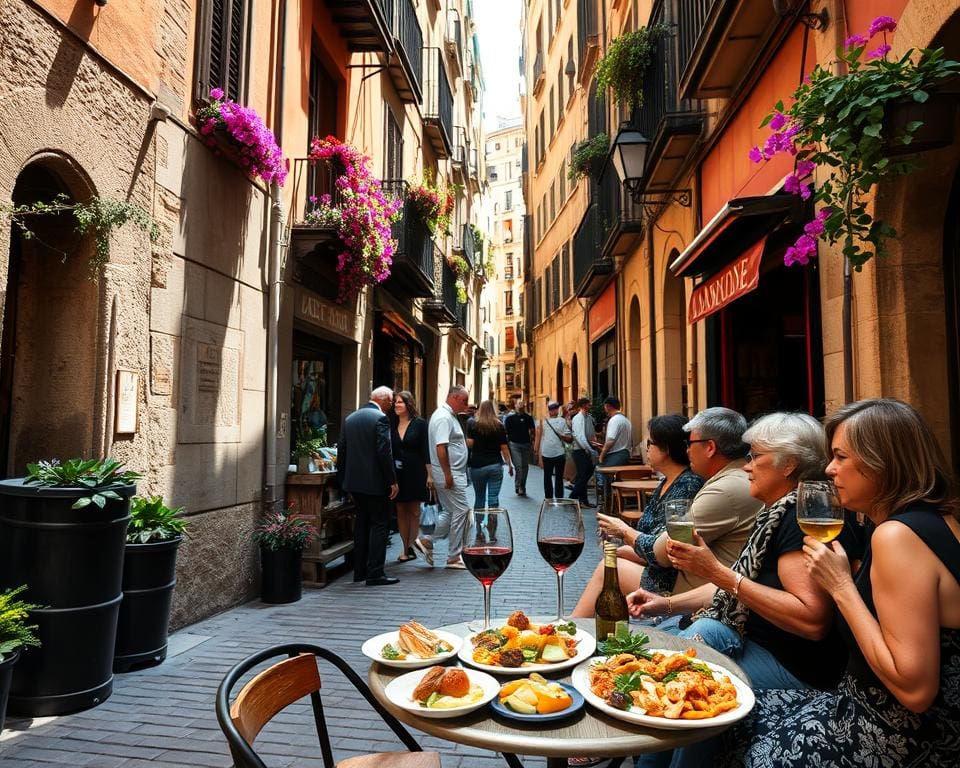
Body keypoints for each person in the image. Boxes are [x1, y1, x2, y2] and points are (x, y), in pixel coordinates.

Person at [716, 399, 960, 767]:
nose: (829, 470)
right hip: (867, 705)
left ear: (882, 461)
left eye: (841, 457)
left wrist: (841, 587)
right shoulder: (934, 518)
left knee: (746, 741)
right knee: (731, 715)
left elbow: (915, 691)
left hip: (902, 732)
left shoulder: (898, 536)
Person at [630, 412, 866, 768]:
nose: (746, 466)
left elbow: (811, 620)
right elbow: (739, 589)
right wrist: (664, 604)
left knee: (695, 684)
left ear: (788, 465)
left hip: (797, 665)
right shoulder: (778, 512)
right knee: (674, 663)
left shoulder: (803, 519)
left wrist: (716, 572)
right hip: (753, 640)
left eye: (755, 456)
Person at [571, 414, 704, 617]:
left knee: (607, 569)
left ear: (666, 449)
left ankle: (575, 625)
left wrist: (622, 540)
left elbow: (665, 552)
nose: (646, 448)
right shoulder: (666, 483)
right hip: (657, 568)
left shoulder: (687, 485)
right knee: (610, 563)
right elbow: (646, 537)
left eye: (650, 443)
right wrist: (617, 541)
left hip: (669, 580)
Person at [337, 386, 399, 586]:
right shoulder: (380, 419)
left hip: (355, 484)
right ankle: (375, 573)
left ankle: (360, 571)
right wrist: (392, 480)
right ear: (383, 400)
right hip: (375, 484)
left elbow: (342, 451)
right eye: (390, 401)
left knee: (361, 526)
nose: (391, 405)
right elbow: (384, 452)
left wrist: (343, 483)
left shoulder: (350, 418)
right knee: (380, 525)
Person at [416, 385, 472, 570]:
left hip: (453, 472)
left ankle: (427, 541)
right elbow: (441, 448)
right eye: (464, 400)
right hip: (450, 473)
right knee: (462, 511)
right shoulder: (443, 417)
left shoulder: (448, 416)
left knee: (449, 511)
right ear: (454, 397)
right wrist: (448, 474)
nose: (466, 404)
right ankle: (454, 557)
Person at [389, 390, 432, 563]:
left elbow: (426, 450)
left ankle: (411, 547)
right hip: (396, 472)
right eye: (395, 402)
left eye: (400, 402)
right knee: (400, 509)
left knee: (414, 510)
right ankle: (405, 547)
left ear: (409, 404)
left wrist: (430, 475)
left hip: (416, 471)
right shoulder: (390, 423)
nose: (396, 405)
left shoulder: (420, 424)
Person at [467, 400, 514, 543]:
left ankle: (479, 530)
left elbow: (469, 444)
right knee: (493, 500)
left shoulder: (472, 423)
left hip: (477, 466)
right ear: (493, 409)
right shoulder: (498, 425)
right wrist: (510, 464)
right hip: (494, 466)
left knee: (479, 498)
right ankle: (492, 533)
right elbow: (504, 448)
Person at [593, 396, 633, 497]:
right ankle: (611, 502)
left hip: (617, 454)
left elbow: (610, 440)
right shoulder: (625, 420)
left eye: (605, 406)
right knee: (610, 478)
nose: (604, 408)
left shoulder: (614, 420)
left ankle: (605, 502)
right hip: (624, 453)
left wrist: (601, 456)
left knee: (601, 472)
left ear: (608, 406)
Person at [535, 400, 571, 499]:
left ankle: (549, 498)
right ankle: (559, 497)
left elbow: (540, 437)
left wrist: (538, 452)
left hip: (547, 453)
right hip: (558, 453)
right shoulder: (563, 421)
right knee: (558, 477)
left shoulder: (543, 421)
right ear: (555, 409)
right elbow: (568, 436)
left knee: (547, 476)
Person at [568, 397, 598, 507]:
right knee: (584, 476)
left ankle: (582, 500)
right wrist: (588, 449)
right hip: (580, 450)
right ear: (583, 406)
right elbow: (579, 436)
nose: (590, 406)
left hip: (588, 449)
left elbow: (591, 433)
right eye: (588, 404)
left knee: (584, 475)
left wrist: (594, 443)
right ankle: (573, 498)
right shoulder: (578, 418)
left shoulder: (589, 417)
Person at [504, 400, 536, 497]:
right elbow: (505, 432)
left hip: (526, 444)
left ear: (524, 405)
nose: (521, 405)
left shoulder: (528, 417)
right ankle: (518, 486)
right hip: (514, 445)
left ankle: (522, 486)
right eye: (519, 403)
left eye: (522, 403)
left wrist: (533, 441)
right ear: (515, 405)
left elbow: (533, 430)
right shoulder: (510, 418)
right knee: (518, 466)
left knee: (525, 466)